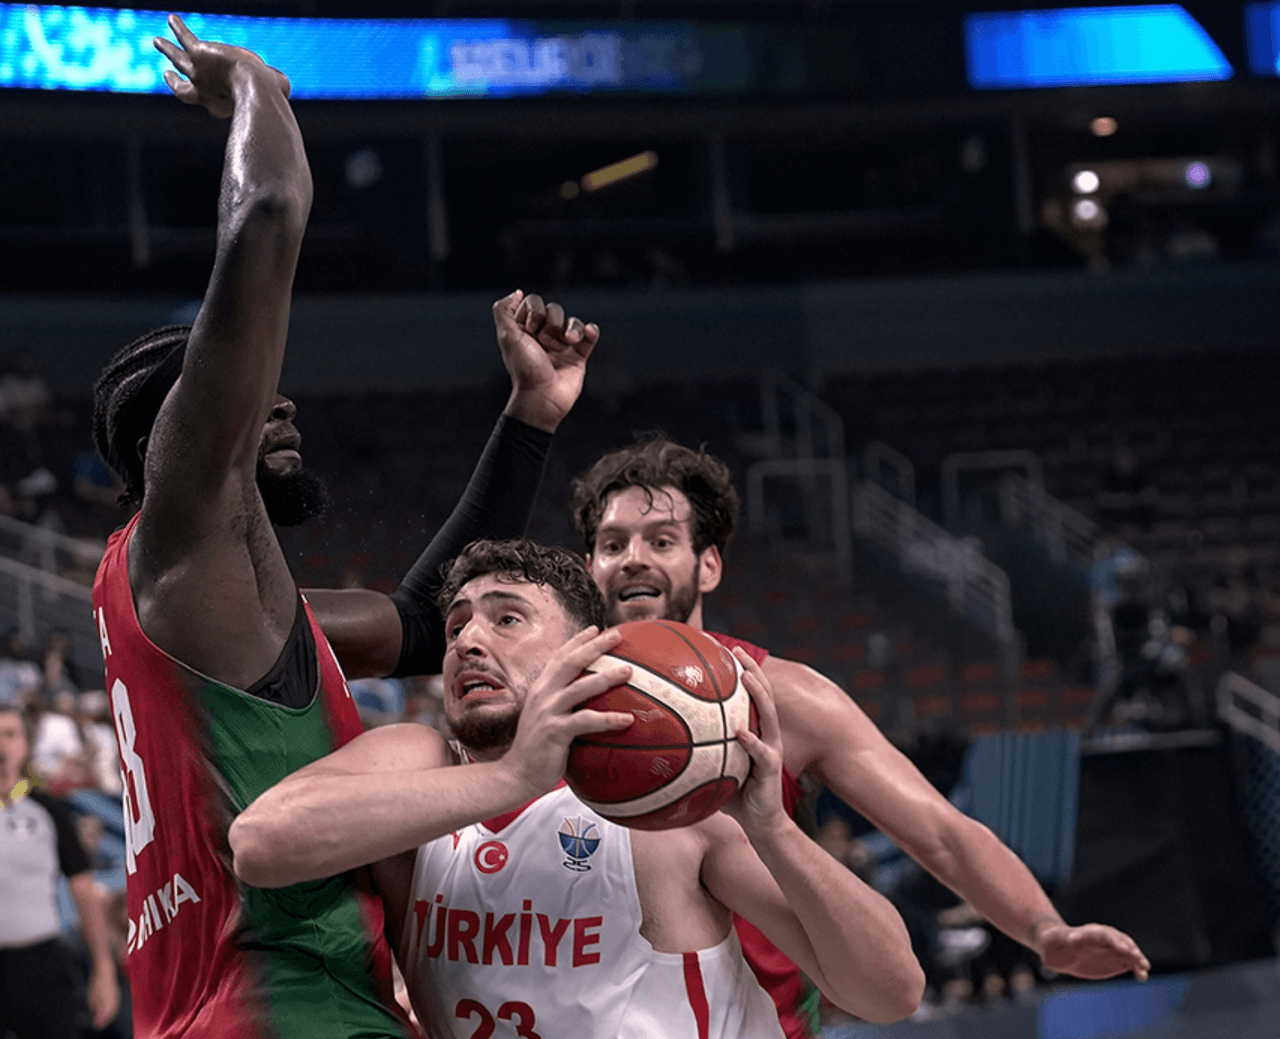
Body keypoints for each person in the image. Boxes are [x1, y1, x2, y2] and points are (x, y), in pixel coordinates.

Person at [90, 17, 598, 1039]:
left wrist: (530, 419)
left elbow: (420, 622)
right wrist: (252, 88)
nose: (280, 406)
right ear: (177, 438)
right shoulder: (181, 532)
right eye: (250, 395)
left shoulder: (215, 617)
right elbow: (269, 208)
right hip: (289, 1010)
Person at [569, 436, 1152, 1038]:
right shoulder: (551, 708)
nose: (633, 558)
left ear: (709, 565)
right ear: (590, 569)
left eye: (662, 541)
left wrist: (1045, 931)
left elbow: (943, 834)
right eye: (613, 544)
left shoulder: (786, 697)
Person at [228, 538, 925, 1037]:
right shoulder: (419, 763)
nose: (469, 641)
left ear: (586, 650)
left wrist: (773, 829)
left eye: (506, 618)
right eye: (457, 625)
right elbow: (261, 843)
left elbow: (890, 992)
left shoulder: (664, 810)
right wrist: (510, 778)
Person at [0, 704, 120, 1038]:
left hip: (42, 966)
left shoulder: (49, 811)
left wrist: (104, 970)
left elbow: (83, 889)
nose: (2, 745)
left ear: (26, 743)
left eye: (10, 734)